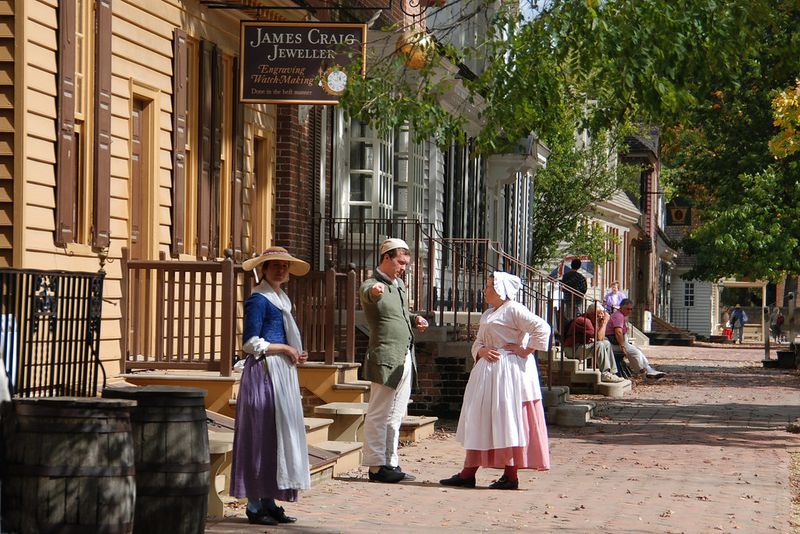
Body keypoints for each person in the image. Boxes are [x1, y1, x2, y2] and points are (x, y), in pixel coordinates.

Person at [440, 272, 551, 490]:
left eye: (489, 286)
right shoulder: (489, 313)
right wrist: (480, 350)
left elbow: (542, 327)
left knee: (507, 418)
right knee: (482, 418)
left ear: (501, 290)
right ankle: (469, 472)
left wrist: (525, 350)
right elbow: (479, 341)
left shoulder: (514, 309)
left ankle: (510, 474)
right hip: (487, 374)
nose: (485, 290)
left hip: (508, 373)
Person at [230, 246, 311, 525]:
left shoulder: (281, 299)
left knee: (277, 438)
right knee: (260, 437)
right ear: (263, 269)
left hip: (281, 373)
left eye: (284, 266)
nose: (280, 270)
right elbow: (250, 343)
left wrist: (294, 351)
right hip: (264, 374)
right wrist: (284, 348)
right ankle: (254, 506)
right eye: (274, 265)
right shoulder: (259, 299)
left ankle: (269, 500)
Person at [360, 238, 429, 483]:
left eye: (406, 263)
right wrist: (375, 292)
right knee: (379, 413)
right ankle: (375, 466)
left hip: (405, 356)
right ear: (386, 258)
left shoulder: (398, 285)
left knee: (397, 414)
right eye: (400, 262)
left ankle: (390, 462)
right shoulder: (372, 284)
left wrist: (414, 319)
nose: (403, 268)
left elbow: (398, 314)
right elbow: (370, 296)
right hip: (385, 358)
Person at [562, 304, 625, 383]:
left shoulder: (593, 320)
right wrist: (604, 323)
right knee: (599, 345)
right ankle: (605, 374)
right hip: (571, 350)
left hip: (580, 347)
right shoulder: (585, 321)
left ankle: (612, 372)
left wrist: (600, 323)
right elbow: (599, 339)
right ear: (592, 313)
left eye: (603, 313)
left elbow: (600, 338)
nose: (602, 315)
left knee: (606, 343)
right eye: (600, 313)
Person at [606, 298, 666, 380]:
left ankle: (648, 371)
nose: (629, 311)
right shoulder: (618, 316)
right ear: (621, 308)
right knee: (635, 353)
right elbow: (618, 332)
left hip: (619, 341)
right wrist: (623, 346)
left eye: (631, 309)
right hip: (614, 342)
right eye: (627, 309)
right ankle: (645, 373)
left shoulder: (621, 315)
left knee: (637, 351)